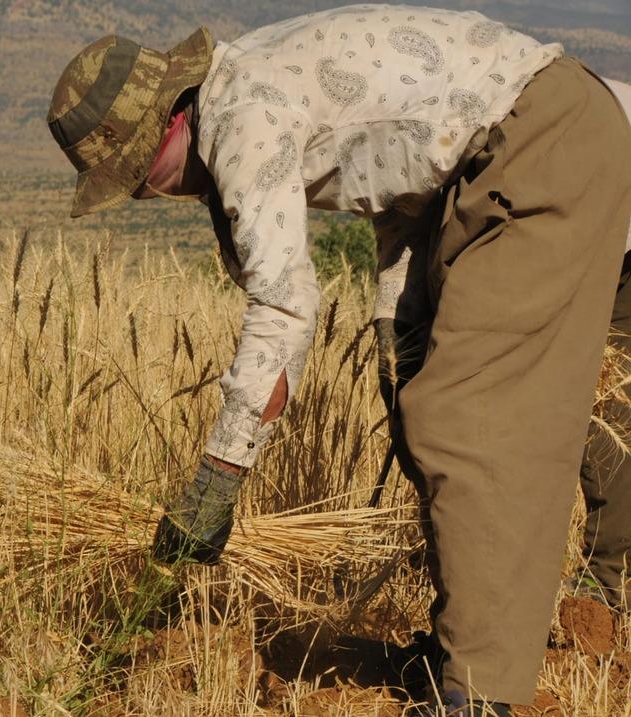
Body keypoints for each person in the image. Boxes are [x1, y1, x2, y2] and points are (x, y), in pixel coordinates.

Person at [46, 5, 631, 715]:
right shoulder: (244, 87)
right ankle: (469, 644)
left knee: (461, 417)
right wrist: (397, 324)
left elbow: (285, 308)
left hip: (541, 141)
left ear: (168, 124)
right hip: (510, 151)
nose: (146, 193)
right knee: (422, 402)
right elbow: (405, 175)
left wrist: (217, 478)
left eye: (138, 176)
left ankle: (478, 693)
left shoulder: (239, 117)